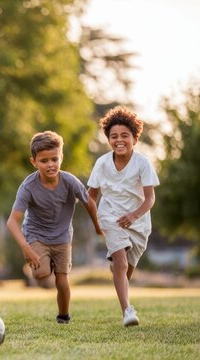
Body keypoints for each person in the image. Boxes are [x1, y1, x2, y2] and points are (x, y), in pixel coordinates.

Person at [6, 131, 102, 324]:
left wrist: (98, 228)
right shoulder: (28, 187)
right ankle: (42, 261)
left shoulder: (70, 182)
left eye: (54, 159)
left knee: (62, 279)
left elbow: (89, 202)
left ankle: (63, 316)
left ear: (61, 157)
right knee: (41, 274)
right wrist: (26, 248)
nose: (50, 164)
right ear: (34, 162)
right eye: (44, 161)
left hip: (62, 237)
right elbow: (12, 221)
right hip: (36, 235)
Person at [87, 106, 159, 327]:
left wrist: (134, 215)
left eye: (124, 135)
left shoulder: (143, 163)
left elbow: (150, 199)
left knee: (126, 269)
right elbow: (90, 197)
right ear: (108, 139)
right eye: (114, 136)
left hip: (139, 223)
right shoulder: (101, 164)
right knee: (120, 261)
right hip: (110, 216)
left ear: (134, 138)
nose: (119, 140)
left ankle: (118, 272)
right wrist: (98, 224)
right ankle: (127, 311)